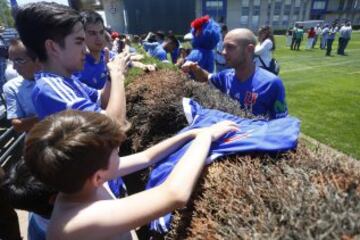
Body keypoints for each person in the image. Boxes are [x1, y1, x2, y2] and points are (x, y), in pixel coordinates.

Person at [24, 110, 238, 239]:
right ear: (98, 177)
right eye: (117, 151)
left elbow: (146, 158)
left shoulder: (79, 182)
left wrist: (191, 134)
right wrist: (206, 138)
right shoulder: (78, 222)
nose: (120, 151)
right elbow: (175, 194)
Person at [15, 2, 130, 128]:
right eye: (79, 42)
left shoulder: (68, 81)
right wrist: (117, 74)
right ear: (53, 47)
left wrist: (110, 76)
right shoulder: (51, 89)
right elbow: (113, 126)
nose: (85, 50)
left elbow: (102, 100)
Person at [182, 28, 288, 119]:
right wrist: (196, 68)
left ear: (249, 49)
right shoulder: (225, 76)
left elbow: (281, 125)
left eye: (230, 47)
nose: (223, 52)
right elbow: (207, 78)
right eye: (224, 47)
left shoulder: (271, 84)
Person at [2, 39, 41, 133]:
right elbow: (17, 125)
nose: (14, 67)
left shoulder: (58, 77)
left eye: (19, 61)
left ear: (37, 59)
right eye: (12, 61)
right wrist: (54, 113)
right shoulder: (11, 87)